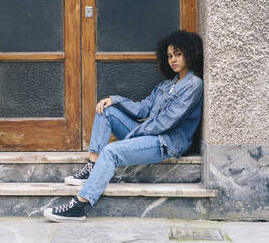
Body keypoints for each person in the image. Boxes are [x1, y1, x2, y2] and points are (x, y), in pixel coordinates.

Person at [43, 30, 204, 222]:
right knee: (106, 111)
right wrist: (114, 100)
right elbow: (142, 109)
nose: (173, 60)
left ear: (189, 54)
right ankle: (93, 165)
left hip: (166, 143)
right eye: (169, 56)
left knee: (110, 152)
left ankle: (80, 205)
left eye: (178, 54)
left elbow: (167, 121)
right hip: (147, 134)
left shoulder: (194, 85)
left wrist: (134, 134)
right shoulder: (165, 85)